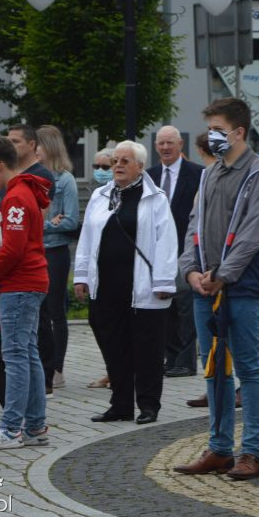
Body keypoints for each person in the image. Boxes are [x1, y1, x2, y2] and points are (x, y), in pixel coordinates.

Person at [174, 98, 259, 481]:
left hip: (242, 288)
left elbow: (253, 233)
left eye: (218, 129)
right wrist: (191, 272)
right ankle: (219, 448)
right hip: (205, 287)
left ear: (238, 132)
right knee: (214, 370)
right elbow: (193, 227)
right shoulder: (210, 173)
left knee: (248, 368)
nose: (212, 136)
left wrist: (223, 274)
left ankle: (252, 451)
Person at [75, 140, 179, 425]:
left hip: (143, 287)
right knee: (114, 346)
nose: (117, 166)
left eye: (124, 161)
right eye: (115, 161)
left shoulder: (155, 198)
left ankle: (148, 405)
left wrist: (163, 281)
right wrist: (81, 276)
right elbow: (87, 238)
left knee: (147, 349)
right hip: (106, 285)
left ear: (139, 167)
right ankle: (120, 404)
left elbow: (167, 243)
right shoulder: (100, 195)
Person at [0, 137, 51, 450]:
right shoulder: (21, 192)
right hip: (27, 282)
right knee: (26, 353)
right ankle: (34, 427)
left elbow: (12, 248)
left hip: (19, 284)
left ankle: (11, 428)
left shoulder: (15, 197)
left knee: (15, 355)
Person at [146, 126, 204, 379]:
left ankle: (186, 360)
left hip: (186, 247)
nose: (165, 148)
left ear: (181, 144)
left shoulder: (198, 174)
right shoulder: (149, 176)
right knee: (165, 303)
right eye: (161, 143)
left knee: (185, 306)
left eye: (170, 143)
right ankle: (170, 358)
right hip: (157, 250)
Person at [35, 125, 79, 391]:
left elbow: (71, 220)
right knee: (39, 311)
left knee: (55, 310)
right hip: (36, 249)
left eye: (36, 144)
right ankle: (43, 364)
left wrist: (46, 225)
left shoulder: (64, 180)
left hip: (55, 250)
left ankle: (57, 368)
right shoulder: (30, 177)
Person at [86, 147, 113, 390]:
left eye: (106, 167)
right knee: (96, 321)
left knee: (113, 324)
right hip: (96, 272)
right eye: (97, 167)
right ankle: (111, 369)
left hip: (116, 271)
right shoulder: (97, 194)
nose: (101, 172)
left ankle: (120, 371)